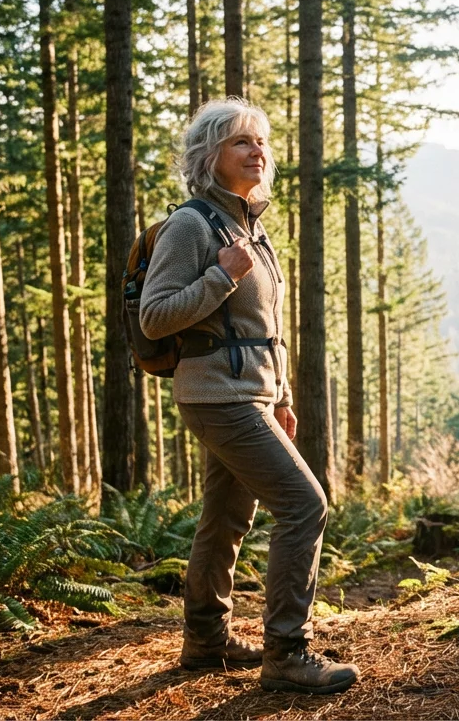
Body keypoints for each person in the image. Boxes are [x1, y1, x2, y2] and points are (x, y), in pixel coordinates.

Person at [140, 97, 359, 695]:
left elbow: (265, 325)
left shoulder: (249, 227)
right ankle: (287, 652)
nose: (257, 151)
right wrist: (221, 274)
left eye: (261, 142)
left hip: (252, 393)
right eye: (241, 142)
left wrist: (281, 393)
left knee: (226, 519)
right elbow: (155, 318)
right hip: (216, 395)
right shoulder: (191, 225)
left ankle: (205, 642)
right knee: (304, 504)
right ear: (210, 156)